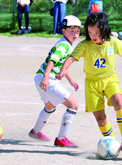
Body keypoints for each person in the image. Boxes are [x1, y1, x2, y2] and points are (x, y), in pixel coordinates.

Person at [56, 12, 122, 152]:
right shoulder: (85, 45)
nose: (93, 36)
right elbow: (71, 58)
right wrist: (63, 69)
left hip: (110, 80)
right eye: (90, 32)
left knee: (119, 101)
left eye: (97, 32)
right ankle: (113, 143)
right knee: (101, 119)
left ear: (104, 30)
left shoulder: (113, 42)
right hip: (92, 84)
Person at [28, 15, 83, 147]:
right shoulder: (64, 45)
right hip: (47, 80)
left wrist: (70, 80)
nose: (75, 34)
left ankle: (35, 132)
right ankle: (61, 139)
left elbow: (61, 65)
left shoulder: (65, 43)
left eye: (77, 31)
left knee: (50, 107)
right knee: (73, 106)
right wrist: (47, 78)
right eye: (71, 30)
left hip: (39, 78)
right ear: (63, 31)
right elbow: (52, 60)